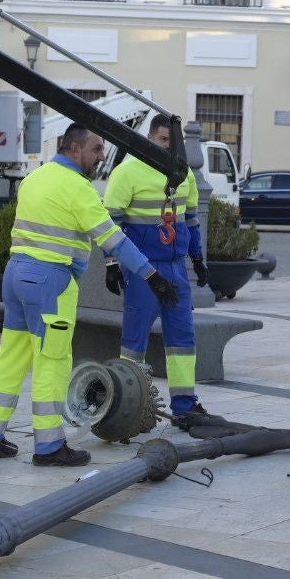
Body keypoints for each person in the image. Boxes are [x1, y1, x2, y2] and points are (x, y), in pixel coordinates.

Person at [0, 125, 179, 466]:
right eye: (96, 149)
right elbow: (113, 240)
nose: (102, 157)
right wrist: (152, 275)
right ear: (74, 149)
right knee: (52, 363)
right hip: (50, 282)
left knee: (10, 357)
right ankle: (50, 447)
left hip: (16, 275)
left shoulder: (35, 179)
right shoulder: (77, 188)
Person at [103, 115, 210, 419]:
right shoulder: (126, 172)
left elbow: (190, 219)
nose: (168, 146)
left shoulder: (184, 174)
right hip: (142, 270)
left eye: (172, 141)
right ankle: (130, 404)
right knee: (135, 341)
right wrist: (111, 263)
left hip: (176, 267)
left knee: (182, 340)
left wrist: (198, 259)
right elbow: (109, 222)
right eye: (163, 139)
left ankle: (185, 405)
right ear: (149, 138)